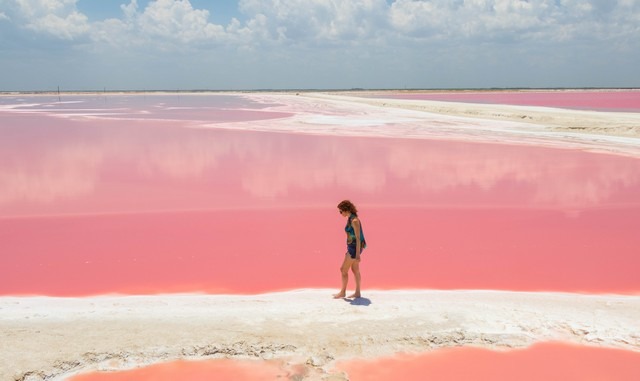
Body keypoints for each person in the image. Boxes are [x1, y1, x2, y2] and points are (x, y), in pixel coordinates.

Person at [334, 200, 367, 299]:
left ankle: (343, 292)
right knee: (355, 269)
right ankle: (357, 293)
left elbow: (358, 238)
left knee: (343, 270)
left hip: (354, 249)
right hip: (351, 247)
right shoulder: (350, 219)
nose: (340, 214)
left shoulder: (354, 221)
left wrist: (357, 255)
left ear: (346, 210)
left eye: (341, 211)